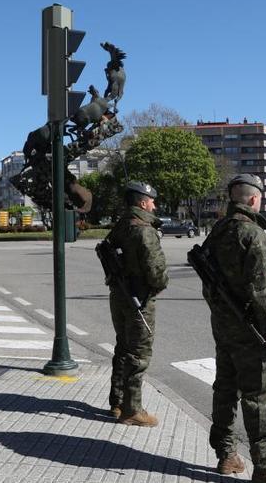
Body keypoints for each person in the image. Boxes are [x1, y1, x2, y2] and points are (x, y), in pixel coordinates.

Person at [200, 174, 266, 483]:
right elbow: (261, 290)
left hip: (224, 324)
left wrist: (221, 312)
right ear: (254, 199)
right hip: (250, 328)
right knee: (258, 395)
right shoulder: (252, 234)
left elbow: (208, 285)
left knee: (226, 388)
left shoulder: (217, 231)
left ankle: (227, 454)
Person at [106, 181, 169, 426]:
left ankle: (118, 402)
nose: (154, 205)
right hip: (139, 300)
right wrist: (160, 284)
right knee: (139, 354)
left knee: (122, 348)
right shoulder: (144, 230)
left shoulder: (121, 226)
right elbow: (156, 271)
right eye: (151, 201)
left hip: (119, 296)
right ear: (143, 202)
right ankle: (133, 410)